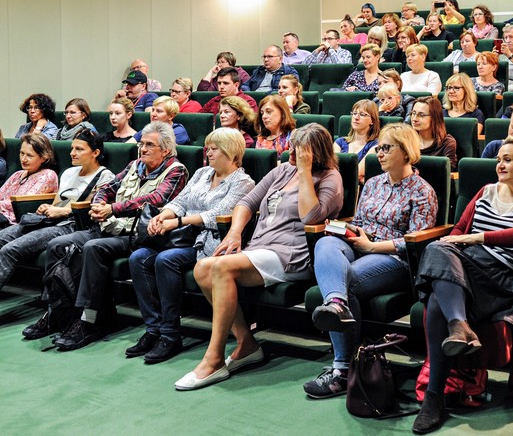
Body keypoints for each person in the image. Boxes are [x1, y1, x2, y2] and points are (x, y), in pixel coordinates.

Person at [174, 123, 343, 391]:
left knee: (218, 269)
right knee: (202, 269)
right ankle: (246, 343)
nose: (290, 150)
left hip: (292, 253)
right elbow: (246, 203)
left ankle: (215, 358)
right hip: (260, 246)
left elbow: (311, 217)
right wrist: (235, 233)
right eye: (292, 145)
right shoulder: (281, 171)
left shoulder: (330, 178)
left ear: (313, 152)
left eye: (298, 148)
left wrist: (305, 171)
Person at [412, 136, 513, 433]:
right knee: (438, 251)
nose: (499, 164)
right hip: (466, 269)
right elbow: (457, 233)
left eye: (508, 159)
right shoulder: (485, 191)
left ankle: (434, 397)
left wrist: (479, 238)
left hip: (499, 277)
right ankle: (458, 329)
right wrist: (463, 241)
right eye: (499, 159)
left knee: (438, 281)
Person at [304, 123, 437, 399]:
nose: (380, 154)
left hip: (395, 259)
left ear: (407, 151)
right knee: (327, 242)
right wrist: (352, 231)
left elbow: (416, 241)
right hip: (363, 246)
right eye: (379, 148)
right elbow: (362, 222)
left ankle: (341, 369)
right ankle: (337, 305)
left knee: (346, 280)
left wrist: (373, 245)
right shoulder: (374, 183)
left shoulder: (422, 191)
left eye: (387, 148)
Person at [41, 122, 189, 351]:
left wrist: (113, 209)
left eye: (150, 145)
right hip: (109, 226)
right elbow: (107, 187)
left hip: (137, 235)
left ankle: (88, 321)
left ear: (166, 150)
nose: (143, 149)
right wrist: (100, 204)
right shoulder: (135, 165)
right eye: (142, 144)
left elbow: (156, 200)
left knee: (93, 247)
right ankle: (61, 314)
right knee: (57, 245)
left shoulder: (176, 171)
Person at [126, 128, 255, 364]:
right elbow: (180, 200)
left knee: (166, 260)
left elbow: (219, 213)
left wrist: (177, 221)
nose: (209, 153)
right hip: (177, 234)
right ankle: (153, 329)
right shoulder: (202, 173)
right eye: (208, 148)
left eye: (214, 149)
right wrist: (162, 216)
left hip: (206, 240)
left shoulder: (243, 182)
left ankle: (170, 335)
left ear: (231, 152)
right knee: (139, 257)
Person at [1, 130, 114, 299]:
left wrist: (62, 211)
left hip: (71, 225)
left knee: (10, 250)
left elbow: (94, 208)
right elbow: (57, 201)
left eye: (79, 149)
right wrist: (47, 207)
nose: (72, 153)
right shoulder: (69, 172)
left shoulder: (105, 176)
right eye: (72, 148)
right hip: (49, 220)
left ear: (95, 153)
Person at [0, 133, 58, 225]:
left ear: (44, 157)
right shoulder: (17, 174)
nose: (23, 159)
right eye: (22, 153)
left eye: (29, 156)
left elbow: (22, 203)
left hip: (15, 221)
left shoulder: (48, 175)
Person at [334, 99, 380, 183]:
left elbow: (357, 173)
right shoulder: (339, 142)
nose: (356, 117)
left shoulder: (375, 145)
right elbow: (332, 170)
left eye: (362, 114)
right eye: (354, 113)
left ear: (372, 121)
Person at [410, 96, 457, 171]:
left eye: (421, 115)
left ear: (434, 117)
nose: (414, 119)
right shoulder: (407, 140)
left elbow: (447, 172)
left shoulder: (447, 143)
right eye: (413, 113)